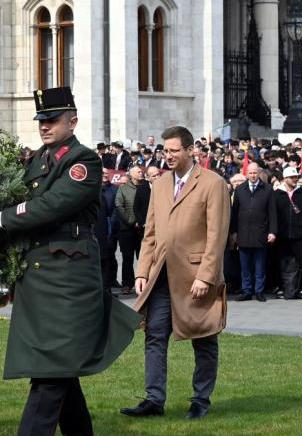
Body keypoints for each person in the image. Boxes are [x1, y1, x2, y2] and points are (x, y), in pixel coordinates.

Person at [0, 86, 138, 435]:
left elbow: (53, 205)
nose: (44, 126)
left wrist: (0, 218)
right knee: (58, 369)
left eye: (52, 120)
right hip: (40, 276)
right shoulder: (38, 160)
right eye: (41, 120)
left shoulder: (83, 160)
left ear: (72, 121)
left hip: (68, 277)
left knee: (52, 372)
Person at [121, 126, 229, 420]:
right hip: (160, 276)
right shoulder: (160, 184)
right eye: (165, 151)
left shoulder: (212, 183)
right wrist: (142, 270)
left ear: (191, 149)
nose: (167, 156)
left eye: (174, 150)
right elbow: (150, 232)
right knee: (154, 335)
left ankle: (200, 400)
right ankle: (154, 400)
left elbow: (216, 236)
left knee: (204, 337)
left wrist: (206, 276)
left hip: (195, 276)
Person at [231, 162, 277, 302]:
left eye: (255, 173)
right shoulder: (240, 190)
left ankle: (259, 291)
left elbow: (272, 213)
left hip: (261, 233)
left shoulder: (268, 189)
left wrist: (272, 231)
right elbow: (235, 213)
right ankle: (246, 291)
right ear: (246, 174)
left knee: (259, 266)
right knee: (245, 266)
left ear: (259, 173)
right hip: (244, 233)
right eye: (250, 173)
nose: (252, 175)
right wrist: (233, 232)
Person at [274, 167, 302, 299]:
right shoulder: (276, 193)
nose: (295, 180)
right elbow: (273, 214)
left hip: (299, 234)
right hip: (282, 235)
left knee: (301, 262)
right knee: (281, 262)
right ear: (285, 179)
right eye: (292, 177)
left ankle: (300, 288)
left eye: (296, 177)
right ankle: (282, 288)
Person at [115, 165, 148, 294]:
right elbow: (119, 205)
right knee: (127, 258)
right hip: (127, 229)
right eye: (138, 172)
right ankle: (127, 284)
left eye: (141, 171)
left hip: (143, 229)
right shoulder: (123, 189)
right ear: (131, 175)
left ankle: (144, 283)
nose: (141, 173)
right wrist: (131, 221)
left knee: (144, 257)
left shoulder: (146, 187)